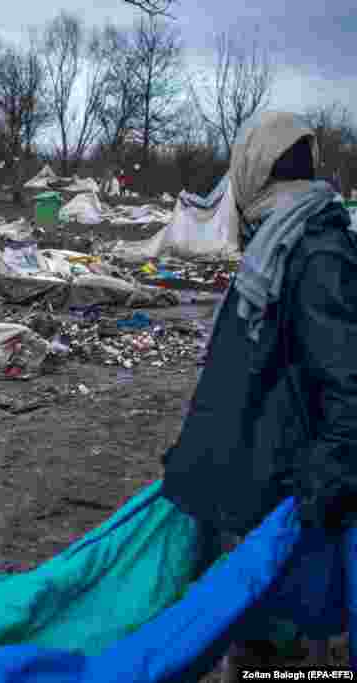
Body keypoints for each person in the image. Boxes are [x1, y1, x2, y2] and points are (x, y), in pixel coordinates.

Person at [159, 112, 356, 680]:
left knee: (280, 639)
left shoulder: (316, 253)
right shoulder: (287, 239)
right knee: (255, 634)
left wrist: (315, 492)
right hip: (262, 482)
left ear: (251, 171)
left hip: (288, 494)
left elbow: (347, 385)